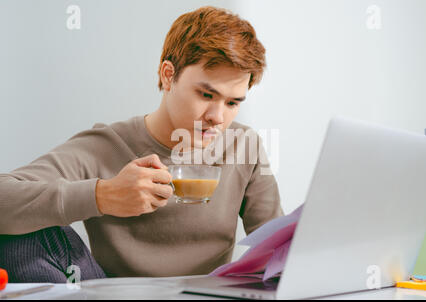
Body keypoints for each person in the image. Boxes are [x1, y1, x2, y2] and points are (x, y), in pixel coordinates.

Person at [0, 6, 283, 282]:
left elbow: (279, 251)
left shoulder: (244, 146)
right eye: (206, 95)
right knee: (17, 234)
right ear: (168, 75)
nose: (218, 118)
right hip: (113, 296)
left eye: (233, 102)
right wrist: (102, 196)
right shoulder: (104, 146)